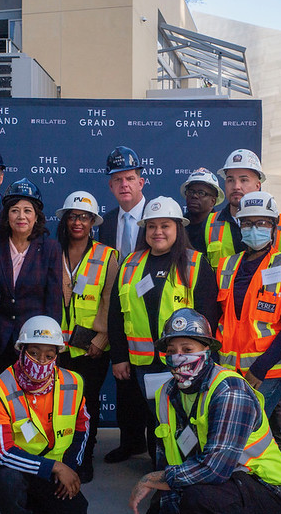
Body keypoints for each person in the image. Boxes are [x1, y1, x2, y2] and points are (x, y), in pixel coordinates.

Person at [129, 308, 281, 514]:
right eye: (172, 351)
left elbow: (215, 469)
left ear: (206, 351)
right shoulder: (166, 394)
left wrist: (151, 479)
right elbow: (171, 463)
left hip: (263, 488)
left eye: (188, 350)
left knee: (200, 502)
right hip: (208, 484)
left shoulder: (229, 391)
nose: (179, 358)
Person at [108, 196, 220, 466]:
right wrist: (120, 357)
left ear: (177, 229)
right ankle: (161, 466)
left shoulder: (195, 263)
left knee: (182, 421)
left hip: (183, 362)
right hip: (141, 362)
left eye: (165, 226)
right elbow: (115, 314)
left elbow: (208, 318)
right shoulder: (130, 264)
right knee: (154, 419)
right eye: (152, 226)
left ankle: (183, 469)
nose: (158, 232)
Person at [0, 316, 91, 514]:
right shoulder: (1, 388)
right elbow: (2, 452)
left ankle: (35, 501)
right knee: (9, 482)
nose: (41, 361)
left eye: (49, 355)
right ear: (21, 350)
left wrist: (70, 467)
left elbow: (81, 427)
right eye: (34, 353)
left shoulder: (73, 382)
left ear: (57, 356)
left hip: (50, 468)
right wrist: (56, 467)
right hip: (12, 466)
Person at [215, 191, 281, 457]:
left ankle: (270, 485)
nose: (254, 229)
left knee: (249, 429)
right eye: (248, 223)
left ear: (275, 227)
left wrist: (259, 369)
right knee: (242, 430)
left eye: (262, 223)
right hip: (230, 368)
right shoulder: (227, 266)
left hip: (269, 370)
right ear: (240, 226)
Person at [55, 191, 119, 483]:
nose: (78, 222)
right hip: (55, 348)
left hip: (90, 348)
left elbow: (110, 299)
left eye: (84, 217)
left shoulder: (107, 255)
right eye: (73, 216)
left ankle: (84, 455)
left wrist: (101, 339)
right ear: (66, 219)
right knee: (57, 405)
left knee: (88, 404)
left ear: (93, 221)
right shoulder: (51, 251)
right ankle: (58, 455)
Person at [97, 145, 149, 464]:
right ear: (111, 186)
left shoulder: (158, 216)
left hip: (152, 316)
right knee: (125, 382)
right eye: (117, 180)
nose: (124, 185)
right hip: (120, 314)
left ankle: (158, 449)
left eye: (130, 178)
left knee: (156, 388)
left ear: (141, 182)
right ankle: (131, 442)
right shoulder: (106, 224)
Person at [0, 177, 62, 375]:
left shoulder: (50, 248)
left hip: (36, 344)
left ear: (36, 216)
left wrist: (49, 344)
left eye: (27, 210)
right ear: (6, 216)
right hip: (1, 340)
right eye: (15, 210)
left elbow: (54, 300)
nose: (21, 216)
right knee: (5, 397)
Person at [205, 148, 281, 270]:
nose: (236, 186)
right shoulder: (211, 223)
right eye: (230, 180)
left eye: (244, 180)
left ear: (258, 185)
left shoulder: (280, 222)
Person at [179, 167, 224, 254]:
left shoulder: (222, 227)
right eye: (191, 192)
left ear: (213, 201)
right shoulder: (178, 226)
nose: (194, 196)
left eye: (201, 193)